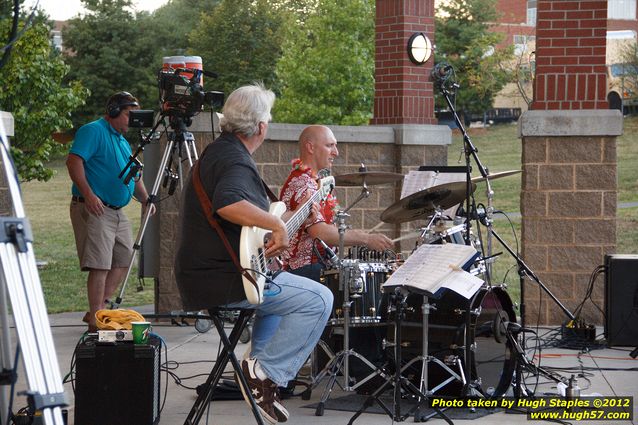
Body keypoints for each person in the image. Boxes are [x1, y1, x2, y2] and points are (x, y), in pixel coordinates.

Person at [174, 84, 332, 424]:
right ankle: (265, 371)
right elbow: (229, 203)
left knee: (284, 287)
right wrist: (275, 225)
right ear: (261, 126)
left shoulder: (222, 152)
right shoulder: (233, 159)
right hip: (223, 280)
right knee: (319, 299)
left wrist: (280, 222)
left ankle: (258, 370)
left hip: (211, 276)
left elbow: (247, 219)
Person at [66, 91, 153, 333]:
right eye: (129, 114)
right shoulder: (93, 131)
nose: (132, 120)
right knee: (100, 265)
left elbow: (134, 175)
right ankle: (96, 320)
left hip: (117, 212)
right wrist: (89, 194)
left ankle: (98, 309)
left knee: (124, 259)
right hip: (95, 208)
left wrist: (146, 199)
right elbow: (73, 162)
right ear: (114, 111)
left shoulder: (123, 141)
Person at [279, 125, 394, 281]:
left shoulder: (315, 182)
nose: (336, 152)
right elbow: (320, 233)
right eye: (329, 145)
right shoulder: (303, 184)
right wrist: (366, 239)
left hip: (317, 264)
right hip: (303, 269)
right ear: (310, 147)